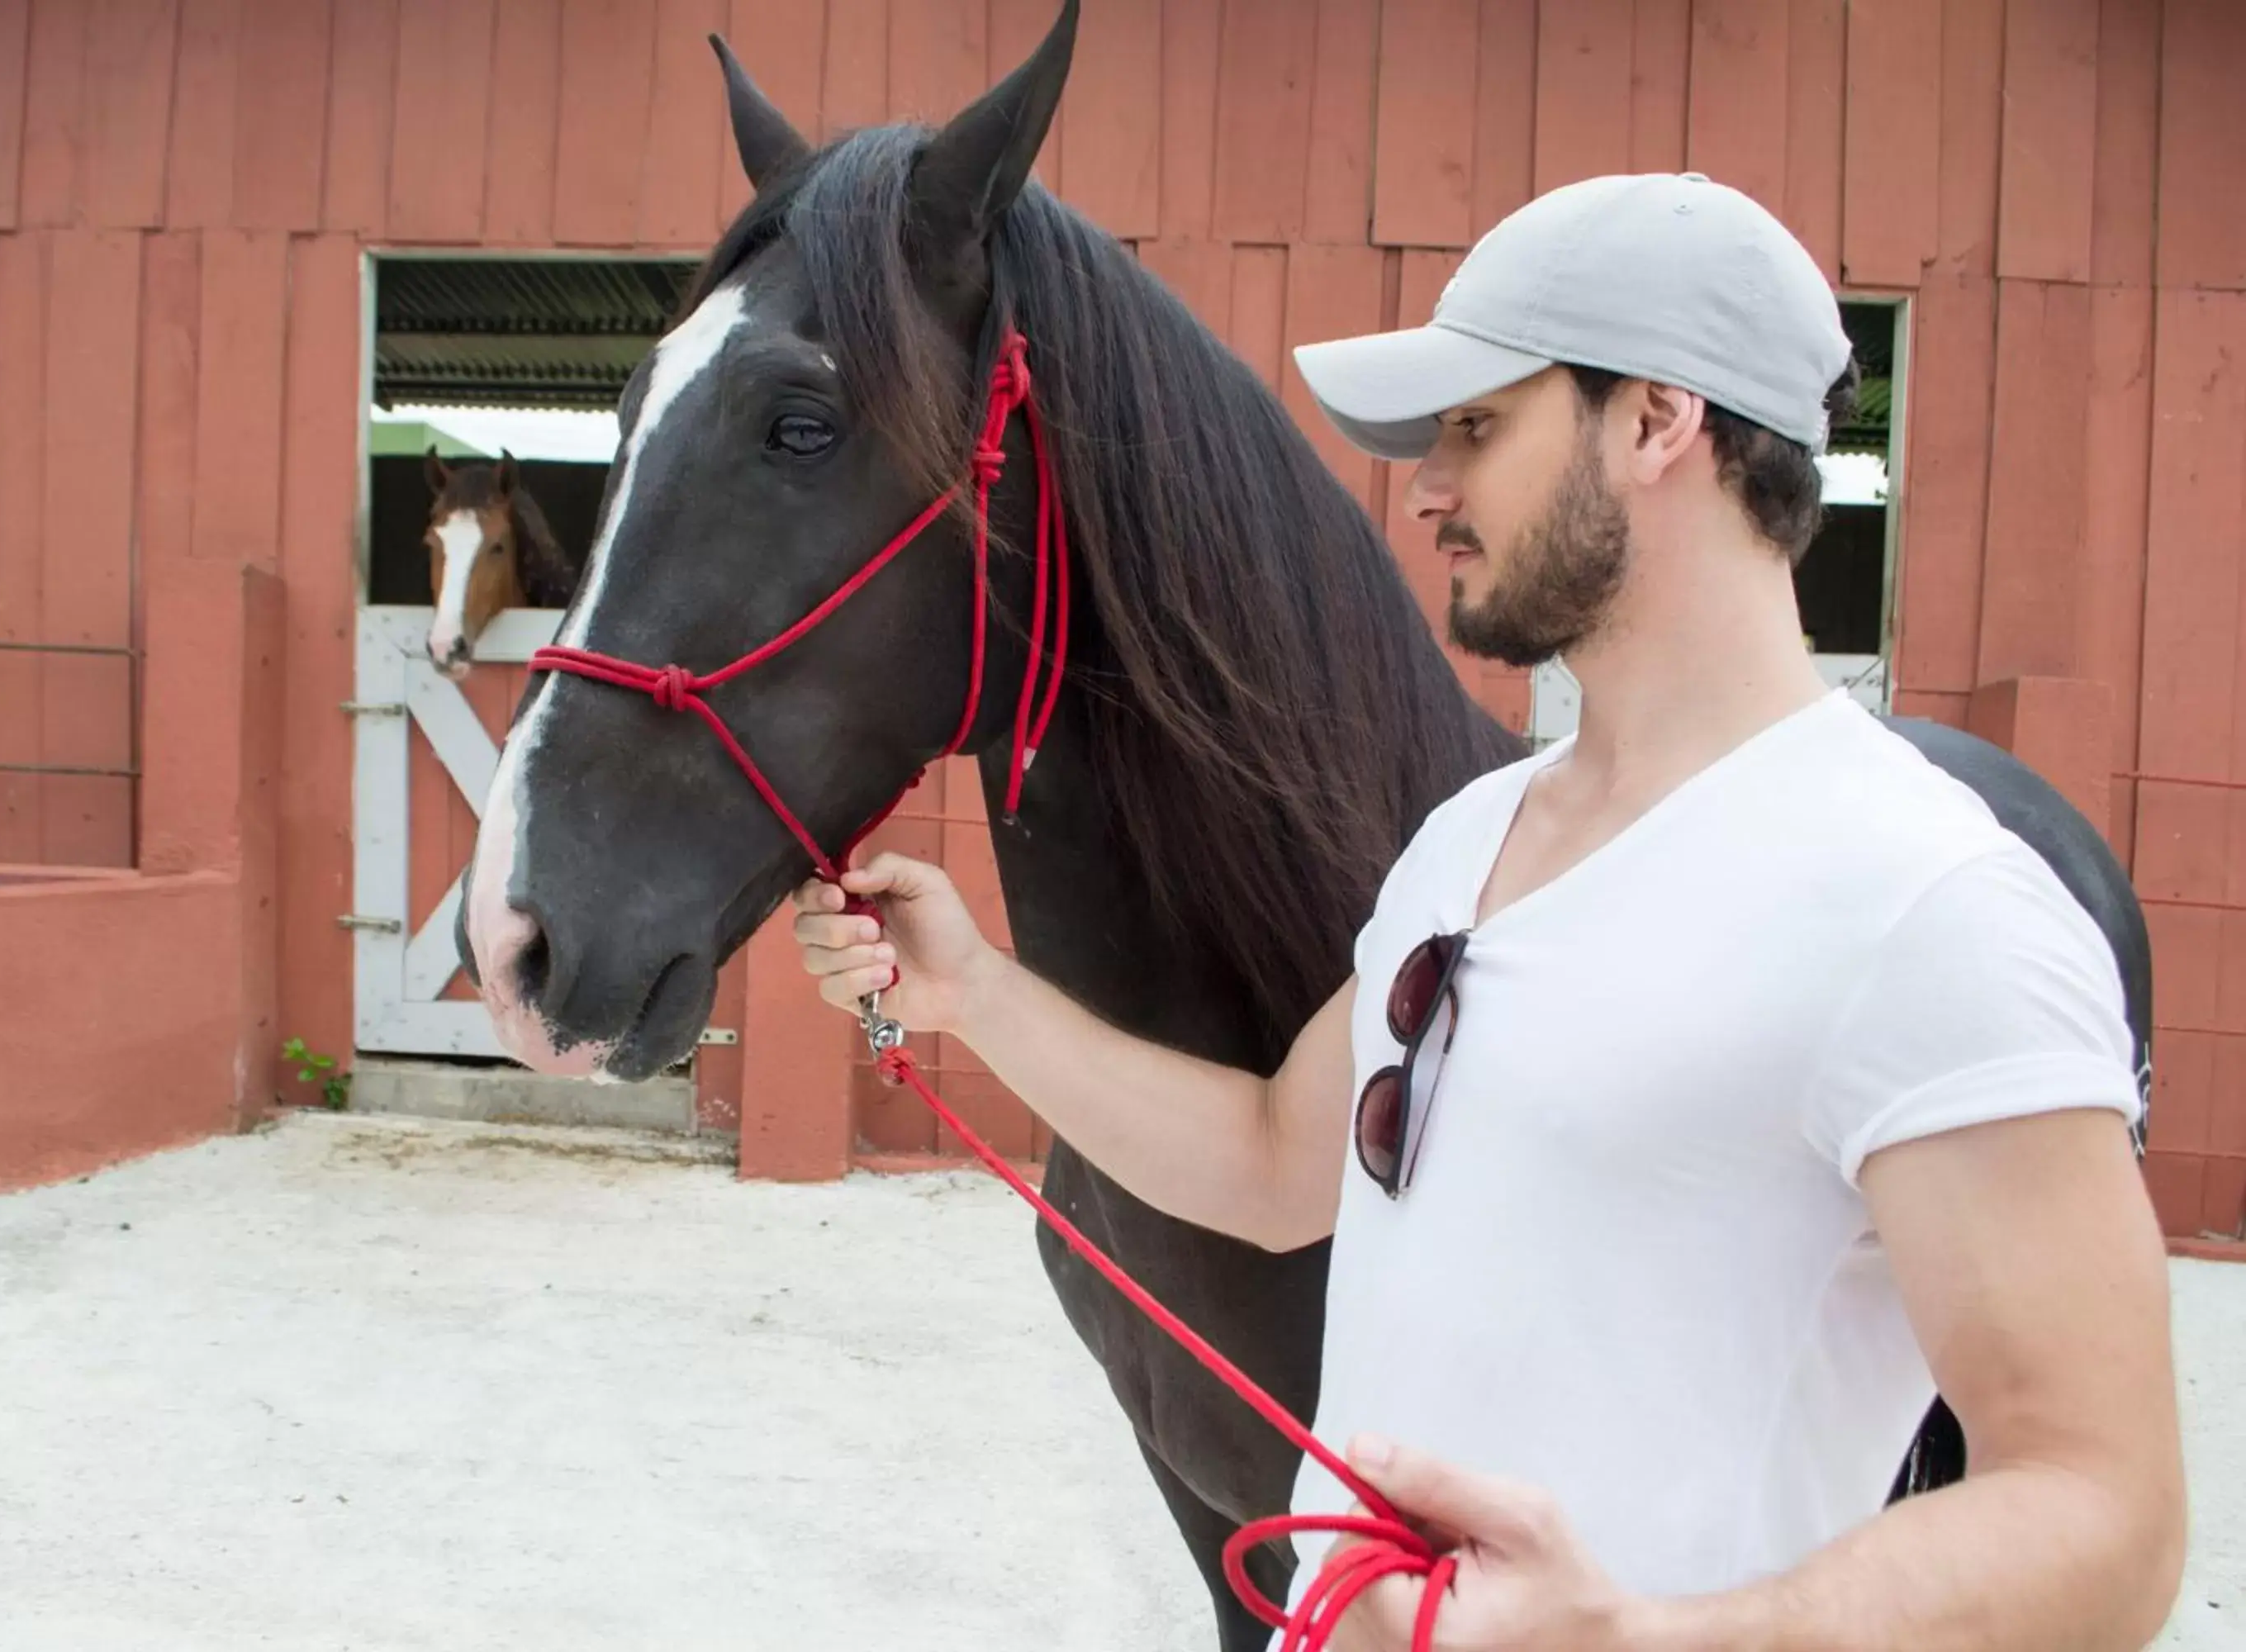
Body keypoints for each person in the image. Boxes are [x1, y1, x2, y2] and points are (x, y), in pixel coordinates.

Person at [788, 173, 2187, 1650]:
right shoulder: (1472, 838)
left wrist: (1648, 1640)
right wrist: (976, 995)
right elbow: (1275, 1164)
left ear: (1658, 421)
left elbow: (2109, 1516)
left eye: (1477, 426)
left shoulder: (1928, 904)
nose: (1428, 487)